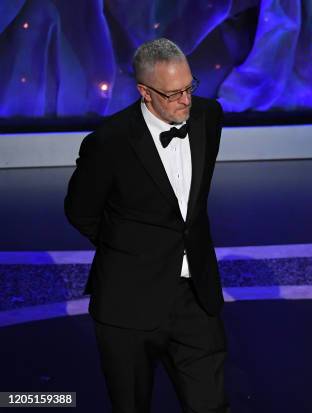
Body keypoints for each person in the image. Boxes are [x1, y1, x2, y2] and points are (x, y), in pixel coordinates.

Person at [65, 38, 228, 413]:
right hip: (129, 302)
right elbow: (80, 211)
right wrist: (132, 250)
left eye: (190, 87)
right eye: (173, 94)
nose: (186, 100)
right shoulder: (109, 142)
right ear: (145, 92)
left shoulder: (209, 117)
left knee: (212, 405)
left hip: (195, 299)